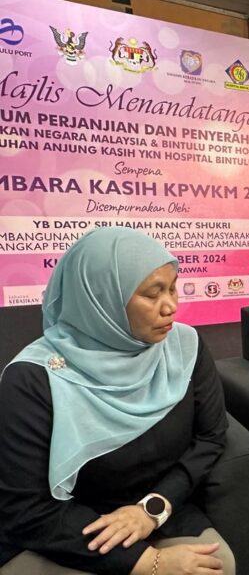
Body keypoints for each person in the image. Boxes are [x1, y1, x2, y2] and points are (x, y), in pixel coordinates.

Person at [0, 227, 234, 575]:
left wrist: (153, 508)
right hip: (61, 528)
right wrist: (149, 562)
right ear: (100, 298)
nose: (171, 306)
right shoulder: (31, 379)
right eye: (152, 294)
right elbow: (26, 508)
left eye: (172, 288)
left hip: (156, 507)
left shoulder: (185, 348)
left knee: (218, 565)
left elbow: (211, 437)